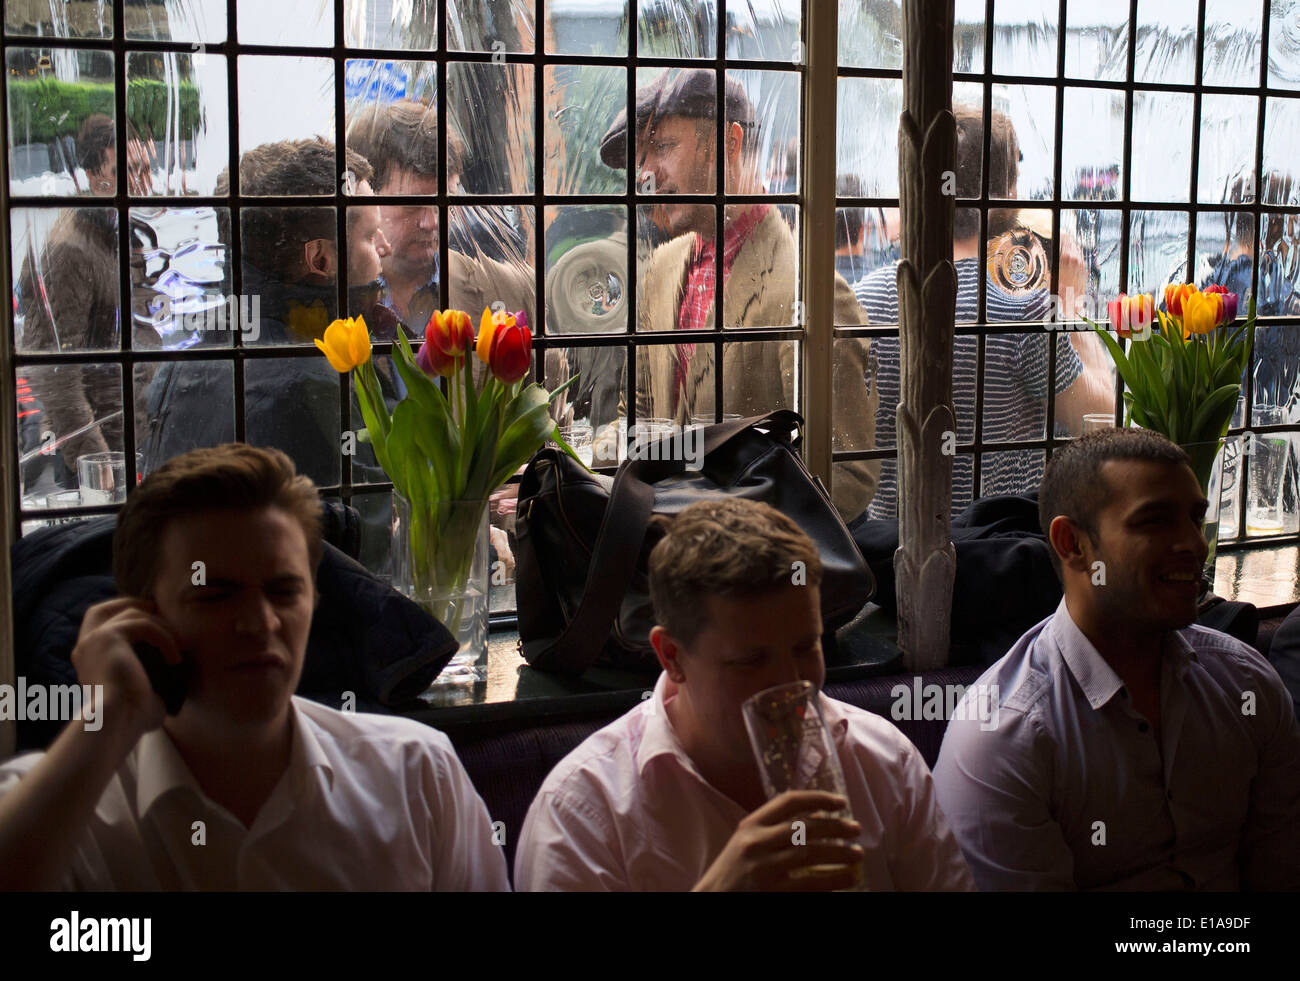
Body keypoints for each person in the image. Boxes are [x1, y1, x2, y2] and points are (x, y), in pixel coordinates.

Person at [0, 443, 509, 890]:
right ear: (139, 616)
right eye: (216, 595)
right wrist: (107, 720)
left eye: (284, 591)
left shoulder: (415, 776)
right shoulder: (64, 807)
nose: (261, 622)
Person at [514, 497, 974, 891]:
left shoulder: (881, 761)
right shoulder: (583, 815)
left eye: (805, 646)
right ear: (672, 655)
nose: (791, 684)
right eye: (750, 661)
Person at [932, 428, 1300, 890]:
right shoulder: (1006, 736)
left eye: (1194, 517)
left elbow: (1280, 866)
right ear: (1073, 545)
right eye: (1155, 521)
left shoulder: (1246, 684)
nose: (1194, 543)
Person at [599, 68, 879, 521]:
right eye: (640, 157)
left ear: (730, 142)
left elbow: (845, 482)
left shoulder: (812, 294)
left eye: (663, 147)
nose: (645, 175)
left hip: (756, 582)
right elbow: (639, 420)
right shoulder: (662, 269)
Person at [853, 105, 1113, 520]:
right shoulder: (1023, 307)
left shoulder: (866, 300)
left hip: (889, 558)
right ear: (1007, 192)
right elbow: (1102, 421)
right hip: (996, 560)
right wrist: (1069, 303)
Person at [140, 137, 391, 490]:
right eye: (370, 235)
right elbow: (364, 530)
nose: (385, 246)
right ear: (321, 258)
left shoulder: (182, 365)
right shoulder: (315, 385)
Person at [16, 114, 163, 486]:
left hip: (137, 442)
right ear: (95, 175)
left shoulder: (119, 228)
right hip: (102, 462)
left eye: (146, 168)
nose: (142, 182)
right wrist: (99, 469)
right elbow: (55, 372)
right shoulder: (68, 249)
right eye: (127, 170)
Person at [345, 99, 533, 335]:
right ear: (367, 195)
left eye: (445, 203)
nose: (432, 222)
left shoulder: (513, 291)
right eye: (412, 205)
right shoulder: (336, 296)